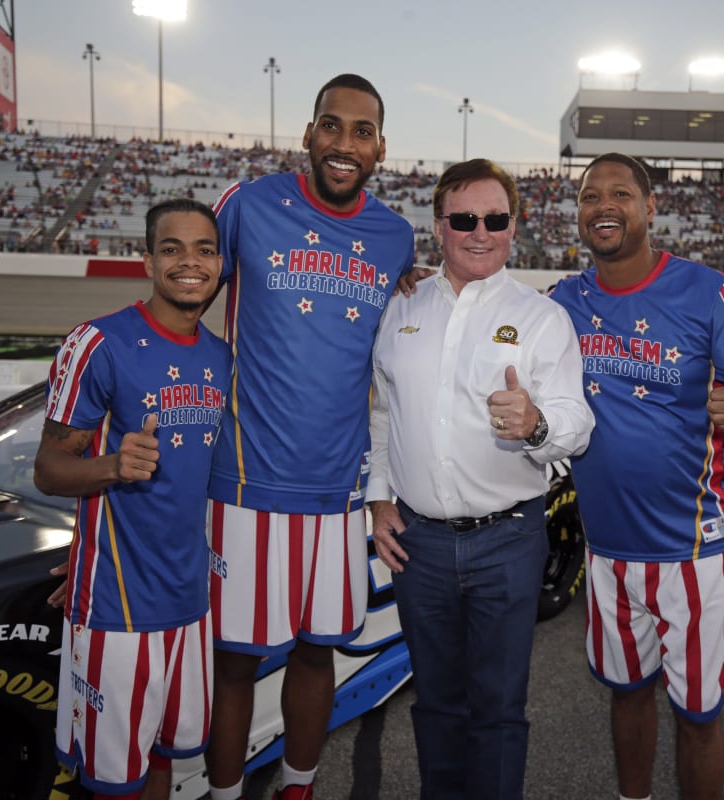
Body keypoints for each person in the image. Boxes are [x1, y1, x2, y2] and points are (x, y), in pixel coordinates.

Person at [549, 153, 724, 800]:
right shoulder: (562, 303)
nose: (603, 205)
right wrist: (418, 279)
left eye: (620, 193)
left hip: (694, 552)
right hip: (606, 552)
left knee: (698, 716)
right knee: (627, 694)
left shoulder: (709, 292)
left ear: (650, 206)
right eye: (590, 195)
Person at [204, 74, 415, 800]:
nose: (344, 143)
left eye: (362, 131)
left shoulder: (394, 236)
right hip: (242, 483)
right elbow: (182, 304)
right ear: (308, 133)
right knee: (234, 660)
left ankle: (298, 787)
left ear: (380, 148)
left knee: (317, 650)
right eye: (331, 125)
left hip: (335, 493)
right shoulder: (248, 205)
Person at [366, 159, 594, 799]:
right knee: (437, 704)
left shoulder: (542, 317)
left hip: (509, 539)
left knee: (497, 709)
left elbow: (577, 423)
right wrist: (379, 499)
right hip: (419, 543)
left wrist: (536, 422)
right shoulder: (401, 306)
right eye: (465, 218)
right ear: (438, 226)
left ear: (514, 226)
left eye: (496, 219)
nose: (480, 232)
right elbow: (383, 413)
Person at [34, 198, 232, 799]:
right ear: (148, 260)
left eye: (204, 250)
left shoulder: (221, 355)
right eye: (172, 249)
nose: (189, 262)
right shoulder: (99, 343)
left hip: (190, 601)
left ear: (220, 263)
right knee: (112, 781)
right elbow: (48, 470)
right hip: (117, 610)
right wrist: (113, 466)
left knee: (163, 758)